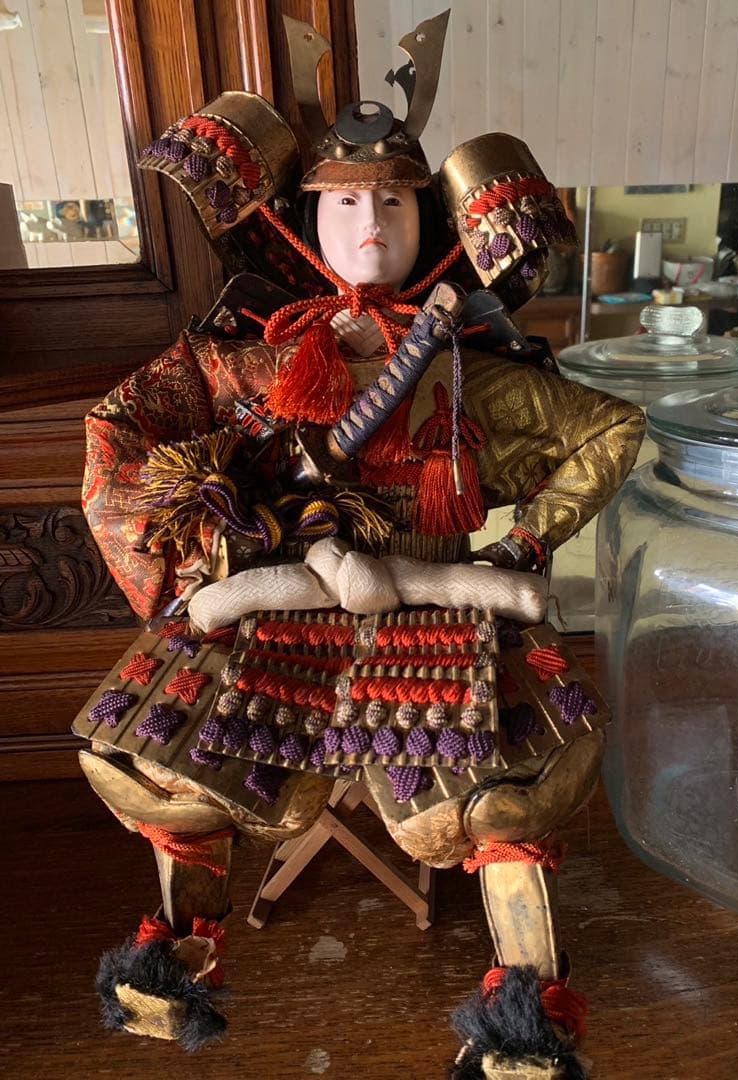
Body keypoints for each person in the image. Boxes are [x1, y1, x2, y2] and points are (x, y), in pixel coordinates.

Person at [76, 13, 644, 1079]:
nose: (369, 220)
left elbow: (612, 429)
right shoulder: (247, 362)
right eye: (344, 200)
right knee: (177, 765)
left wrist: (525, 545)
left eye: (392, 200)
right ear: (305, 217)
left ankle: (525, 1013)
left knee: (496, 799)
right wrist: (201, 551)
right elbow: (119, 431)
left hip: (436, 606)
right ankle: (172, 955)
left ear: (432, 217)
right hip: (277, 599)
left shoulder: (471, 365)